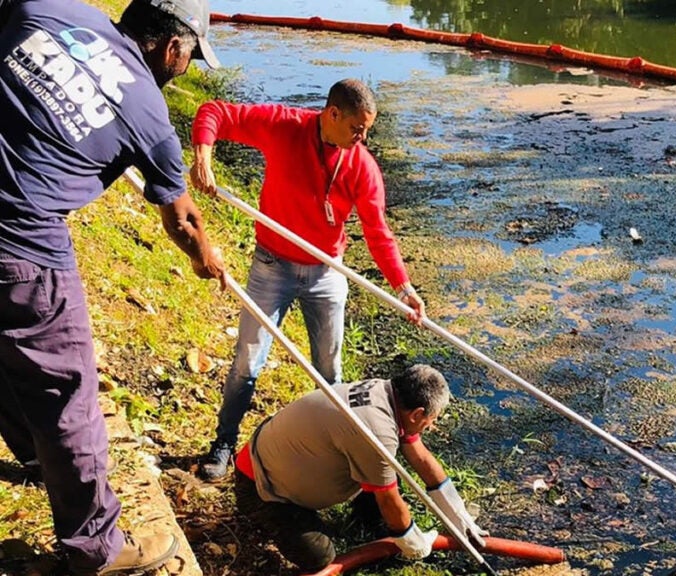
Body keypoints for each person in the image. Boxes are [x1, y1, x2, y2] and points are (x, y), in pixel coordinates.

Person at [0, 0, 224, 574]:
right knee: (70, 397)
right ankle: (98, 549)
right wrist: (206, 258)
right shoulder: (149, 114)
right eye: (191, 57)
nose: (189, 68)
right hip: (21, 245)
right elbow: (182, 219)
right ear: (172, 48)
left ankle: (30, 451)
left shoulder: (48, 7)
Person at [190, 78, 427, 481]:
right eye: (357, 128)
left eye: (368, 129)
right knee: (247, 362)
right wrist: (203, 157)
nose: (363, 137)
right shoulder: (284, 126)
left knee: (329, 373)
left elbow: (377, 232)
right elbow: (215, 112)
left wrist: (403, 288)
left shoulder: (361, 165)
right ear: (332, 114)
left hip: (326, 272)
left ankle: (332, 453)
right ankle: (225, 443)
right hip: (271, 266)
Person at [232, 364, 486, 571]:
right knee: (318, 556)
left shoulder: (386, 394)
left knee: (384, 466)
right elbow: (389, 500)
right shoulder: (376, 431)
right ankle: (265, 517)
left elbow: (421, 459)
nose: (432, 426)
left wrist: (458, 514)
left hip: (277, 456)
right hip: (260, 486)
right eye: (432, 420)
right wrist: (414, 544)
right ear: (417, 414)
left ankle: (367, 517)